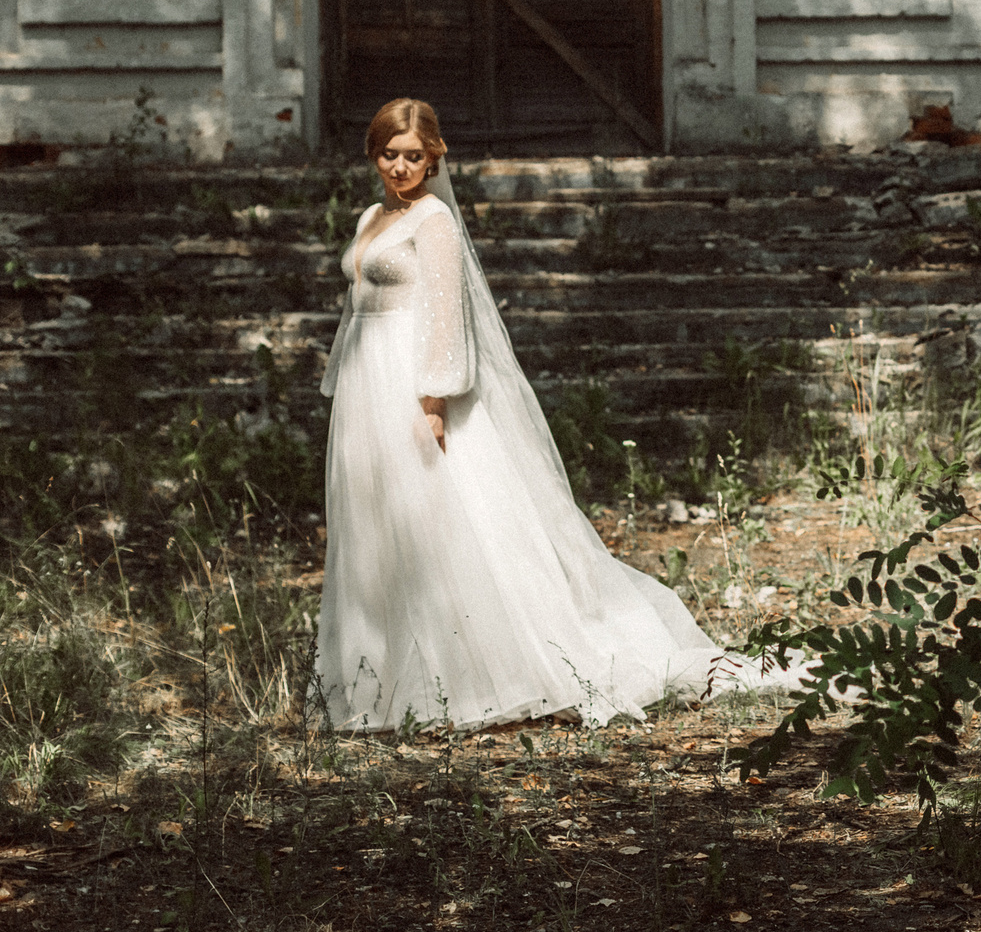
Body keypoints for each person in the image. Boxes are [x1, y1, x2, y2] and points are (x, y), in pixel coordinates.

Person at [312, 97, 779, 732]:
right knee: (376, 523)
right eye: (390, 155)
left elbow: (448, 312)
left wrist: (436, 396)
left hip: (414, 379)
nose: (400, 167)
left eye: (414, 157)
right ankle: (381, 676)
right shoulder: (372, 216)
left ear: (434, 158)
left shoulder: (435, 222)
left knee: (437, 520)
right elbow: (356, 304)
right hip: (369, 385)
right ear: (374, 154)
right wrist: (343, 378)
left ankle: (471, 673)